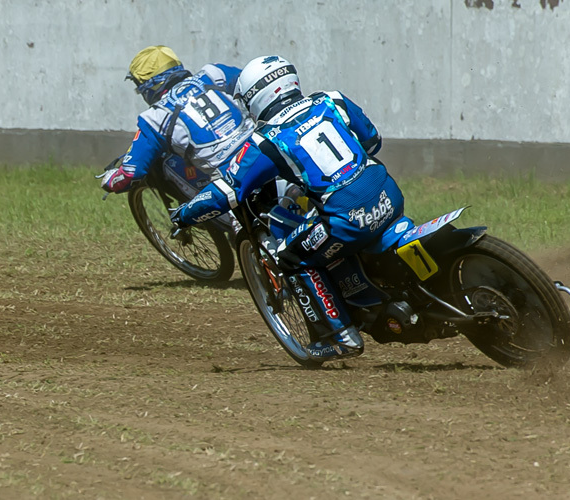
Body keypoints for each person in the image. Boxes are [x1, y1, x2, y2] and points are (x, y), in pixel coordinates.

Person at [169, 55, 405, 360]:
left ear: (255, 97)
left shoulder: (266, 140)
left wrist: (186, 214)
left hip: (348, 219)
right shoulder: (332, 99)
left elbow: (225, 192)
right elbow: (372, 141)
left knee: (292, 256)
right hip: (391, 195)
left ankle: (341, 338)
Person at [99, 45, 254, 194]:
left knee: (190, 214)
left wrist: (110, 181)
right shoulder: (213, 73)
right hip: (259, 145)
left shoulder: (155, 117)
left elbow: (131, 173)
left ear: (147, 86)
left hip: (229, 173)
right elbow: (253, 82)